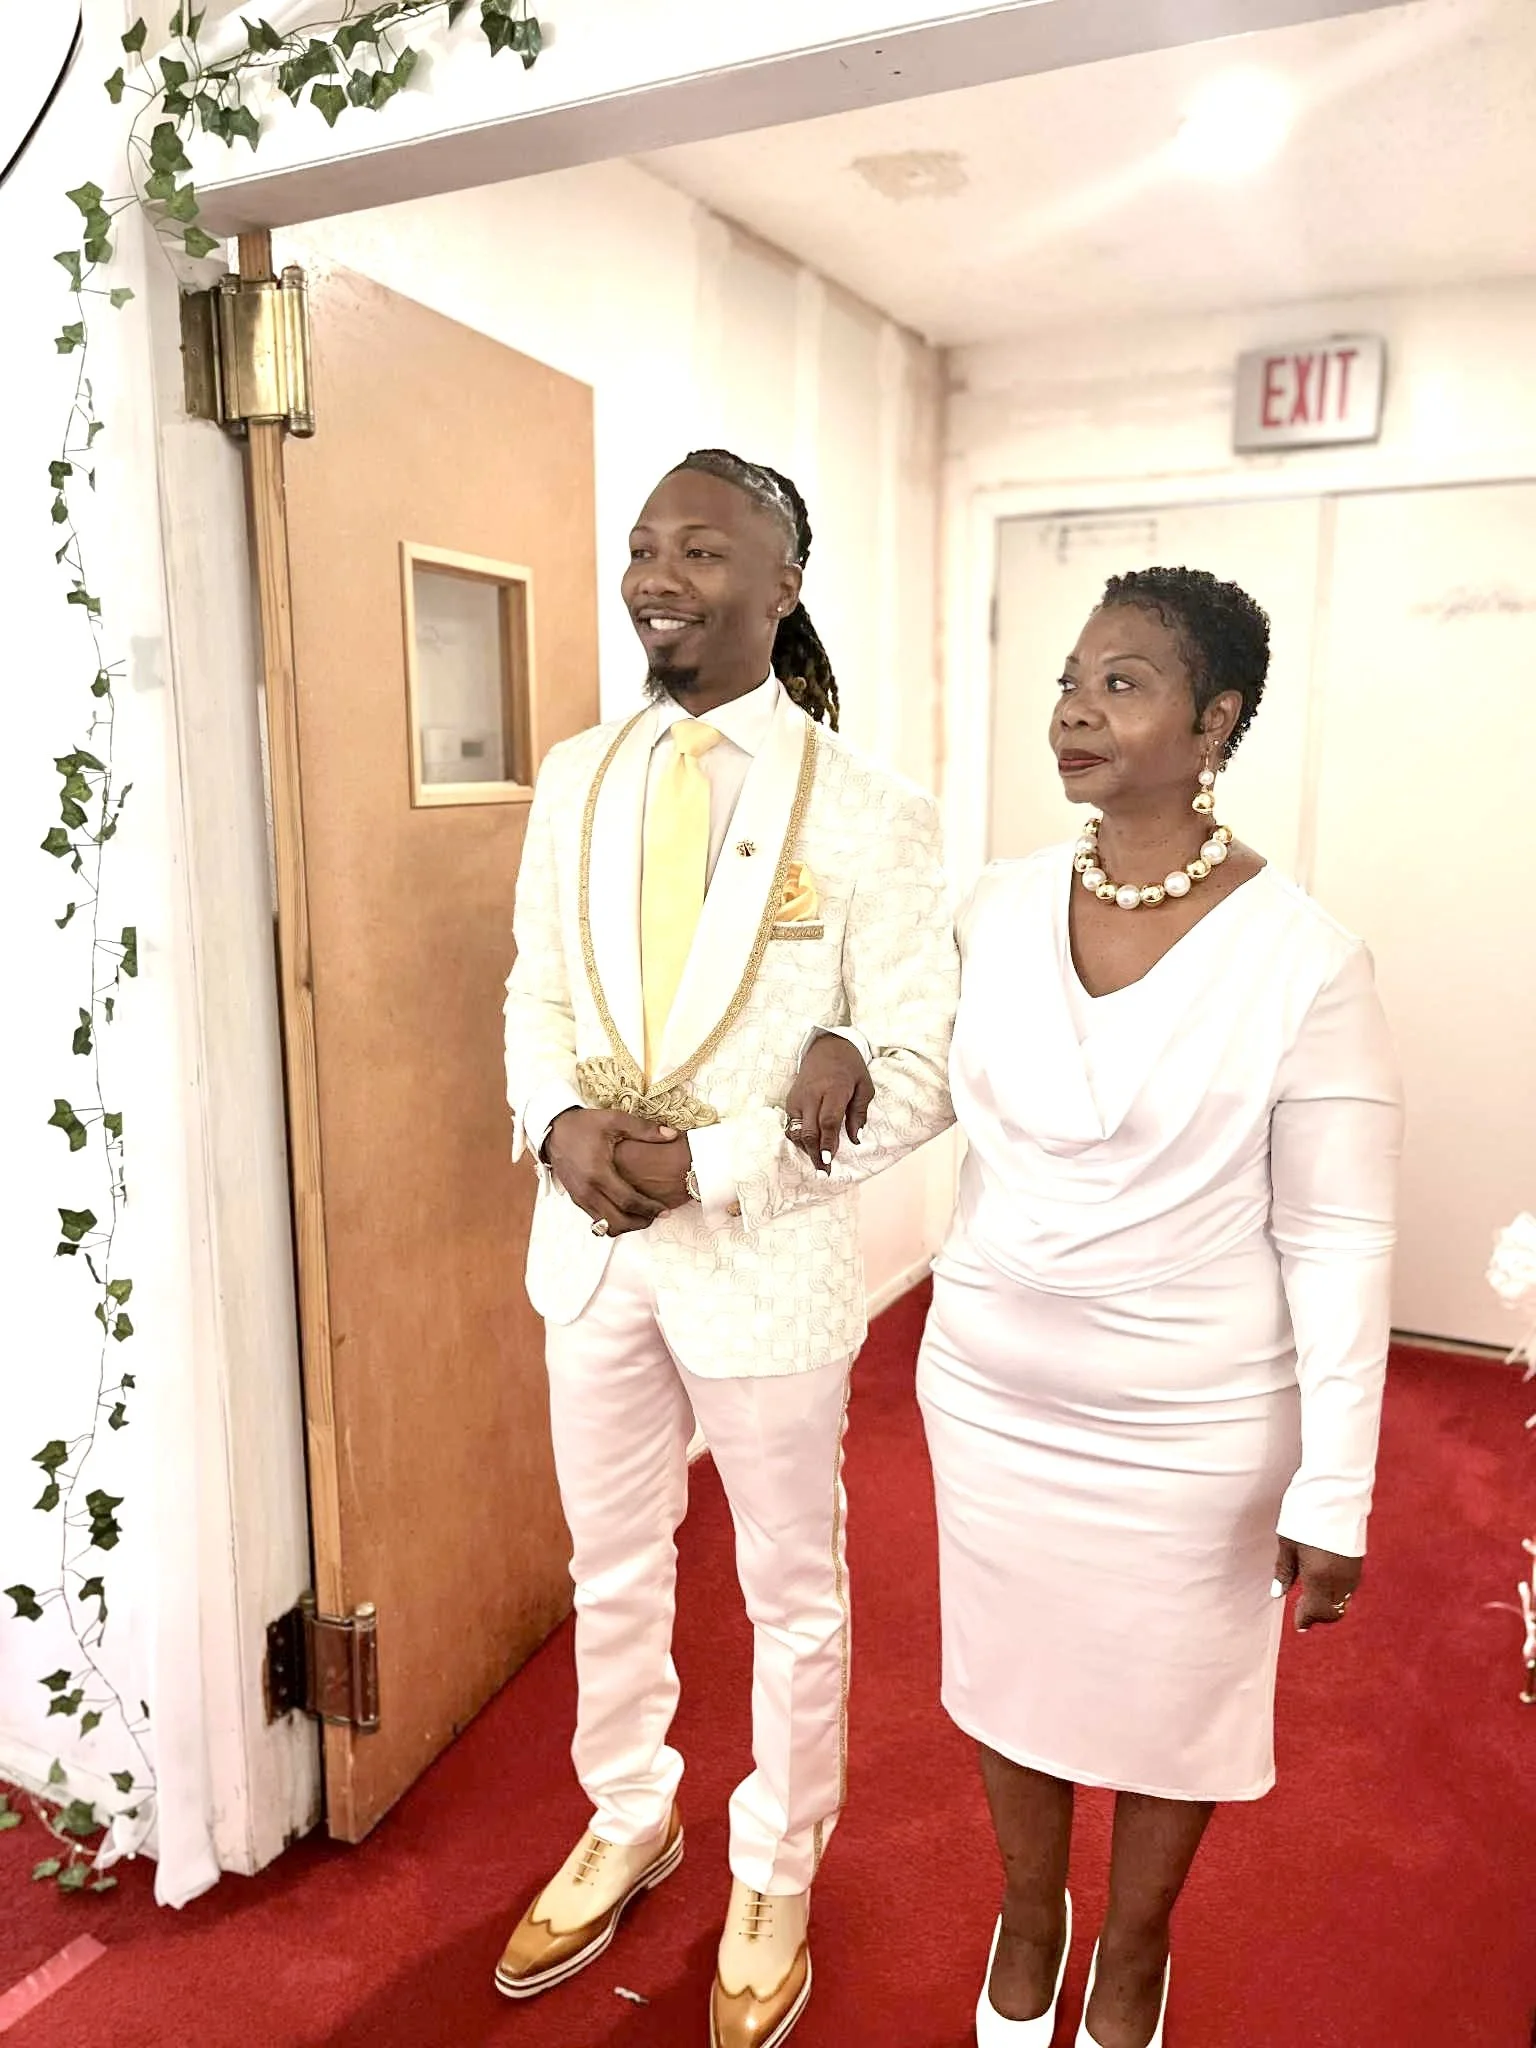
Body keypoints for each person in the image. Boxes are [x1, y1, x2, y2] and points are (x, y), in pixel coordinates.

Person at [497, 448, 958, 2047]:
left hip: (760, 1257)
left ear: (783, 581)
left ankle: (779, 1852)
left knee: (789, 1588)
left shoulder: (877, 812)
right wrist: (554, 1128)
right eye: (641, 546)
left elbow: (918, 1068)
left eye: (700, 548)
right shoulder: (575, 775)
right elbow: (533, 993)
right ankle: (631, 1810)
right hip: (592, 1249)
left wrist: (715, 1158)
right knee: (609, 1561)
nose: (656, 576)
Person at [915, 567, 1403, 2048]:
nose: (1076, 705)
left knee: (1172, 1698)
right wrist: (787, 1106)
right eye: (1072, 677)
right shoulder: (992, 910)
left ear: (1218, 721)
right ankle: (1025, 1919)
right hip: (993, 1395)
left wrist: (1340, 1481)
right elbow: (901, 1105)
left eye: (1123, 682)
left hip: (1195, 1424)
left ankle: (1132, 1956)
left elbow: (1339, 1233)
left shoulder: (1308, 959)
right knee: (1009, 1677)